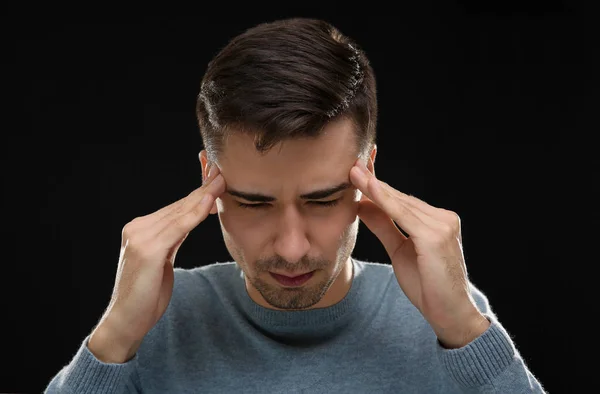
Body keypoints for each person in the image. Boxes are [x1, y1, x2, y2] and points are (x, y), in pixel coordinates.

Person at [45, 17, 546, 393]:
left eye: (322, 200)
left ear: (367, 173)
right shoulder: (155, 322)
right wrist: (111, 344)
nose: (290, 248)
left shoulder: (449, 318)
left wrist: (463, 330)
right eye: (253, 203)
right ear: (209, 181)